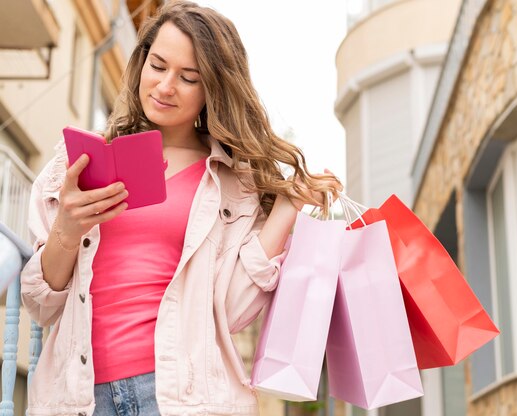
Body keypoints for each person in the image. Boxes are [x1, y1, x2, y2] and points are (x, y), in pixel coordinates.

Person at [20, 1, 342, 415]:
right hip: (76, 397)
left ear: (213, 88)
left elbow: (231, 313)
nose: (165, 86)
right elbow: (41, 306)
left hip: (181, 398)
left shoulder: (234, 186)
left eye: (188, 78)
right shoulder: (73, 166)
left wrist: (285, 210)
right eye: (158, 65)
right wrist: (67, 228)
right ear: (141, 63)